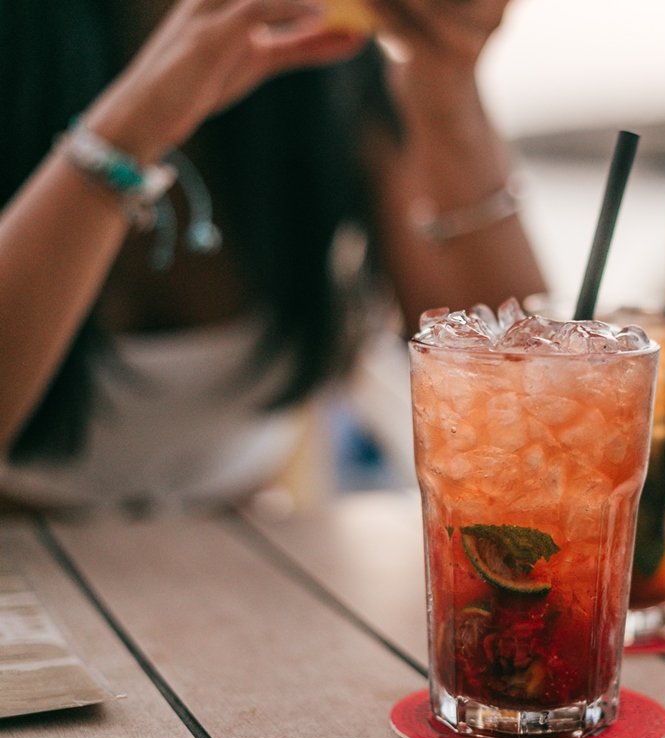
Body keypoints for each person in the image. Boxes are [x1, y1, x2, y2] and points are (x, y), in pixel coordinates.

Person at [0, 0, 545, 514]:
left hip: (250, 575)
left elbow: (527, 409)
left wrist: (447, 87)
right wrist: (135, 123)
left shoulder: (335, 69)